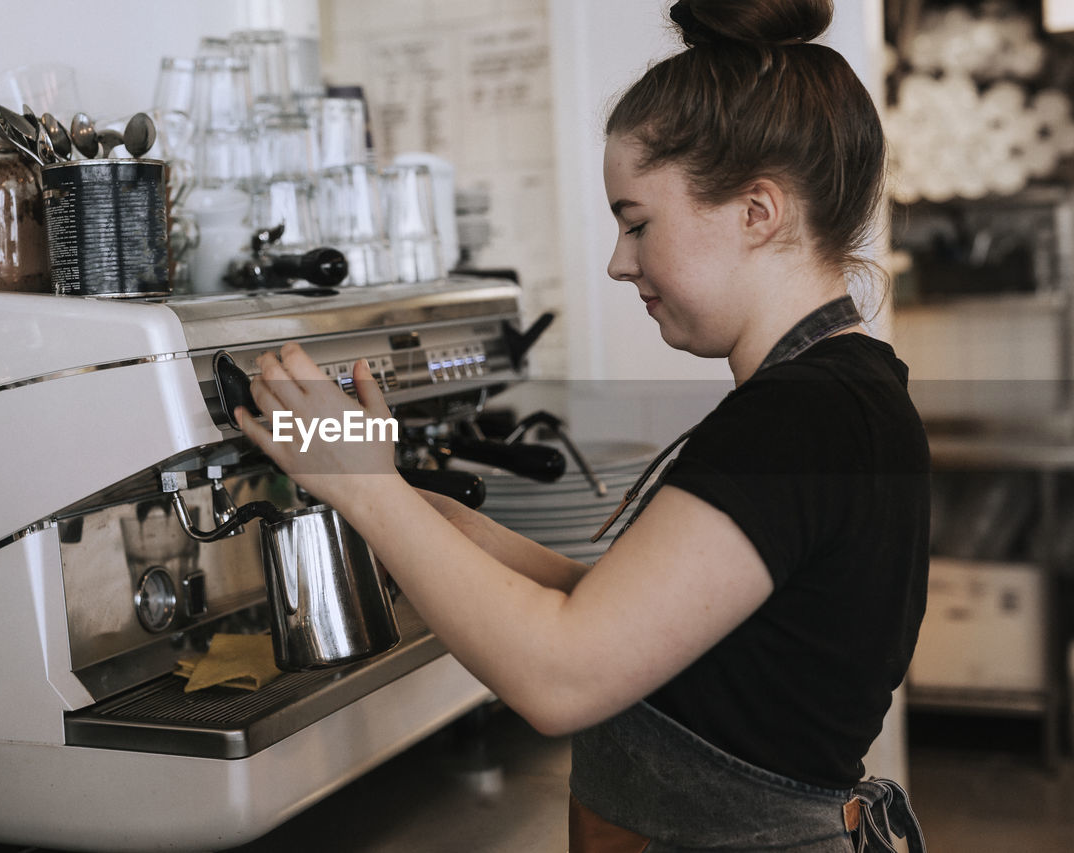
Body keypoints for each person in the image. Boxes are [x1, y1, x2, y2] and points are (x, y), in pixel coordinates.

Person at [237, 0, 930, 849]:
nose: (618, 261)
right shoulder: (840, 394)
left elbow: (561, 675)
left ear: (759, 212)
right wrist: (398, 493)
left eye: (638, 222)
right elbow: (611, 609)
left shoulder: (804, 421)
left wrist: (368, 491)